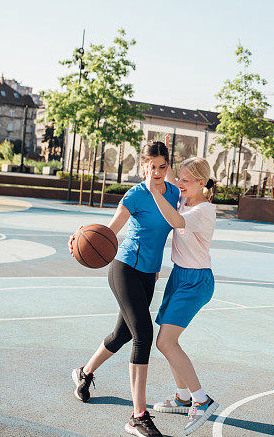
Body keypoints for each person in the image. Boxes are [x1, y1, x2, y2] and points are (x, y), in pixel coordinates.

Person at [69, 141, 178, 437]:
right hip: (124, 268)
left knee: (122, 334)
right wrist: (80, 237)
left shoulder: (174, 193)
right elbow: (108, 232)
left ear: (168, 166)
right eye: (151, 166)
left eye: (162, 166)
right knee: (143, 335)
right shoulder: (135, 195)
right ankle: (138, 417)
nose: (156, 172)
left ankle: (84, 372)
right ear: (142, 165)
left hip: (148, 275)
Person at [147, 157, 219, 435]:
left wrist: (156, 192)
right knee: (168, 341)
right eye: (178, 178)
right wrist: (159, 162)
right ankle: (182, 397)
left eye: (185, 180)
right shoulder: (185, 199)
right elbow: (169, 195)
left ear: (202, 184)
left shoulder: (203, 211)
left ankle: (202, 400)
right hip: (179, 276)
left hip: (196, 281)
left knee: (165, 342)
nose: (179, 184)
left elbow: (175, 220)